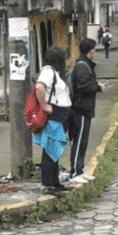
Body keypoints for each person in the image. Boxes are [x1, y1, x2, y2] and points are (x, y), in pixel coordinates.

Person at [33, 46, 72, 197]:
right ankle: (48, 184)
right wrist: (44, 105)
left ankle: (55, 182)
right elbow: (39, 87)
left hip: (61, 114)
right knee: (50, 150)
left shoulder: (54, 72)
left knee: (55, 150)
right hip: (55, 114)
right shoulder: (49, 71)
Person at [67, 38, 104, 184]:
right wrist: (98, 88)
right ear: (90, 52)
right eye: (94, 49)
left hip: (85, 109)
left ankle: (80, 170)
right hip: (80, 109)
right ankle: (75, 172)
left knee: (83, 141)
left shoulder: (85, 65)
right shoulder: (82, 67)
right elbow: (83, 88)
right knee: (79, 140)